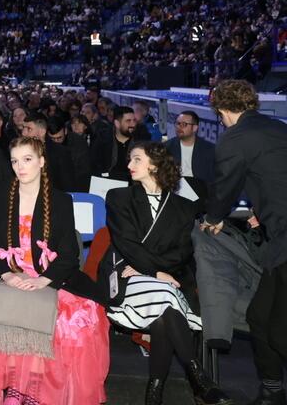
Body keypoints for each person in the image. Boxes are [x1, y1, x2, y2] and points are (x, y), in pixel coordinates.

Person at [0, 137, 109, 405]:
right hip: (7, 274)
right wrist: (8, 275)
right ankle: (14, 386)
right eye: (15, 161)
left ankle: (34, 389)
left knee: (73, 320)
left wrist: (44, 280)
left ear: (41, 162)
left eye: (27, 159)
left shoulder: (60, 201)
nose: (20, 167)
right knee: (3, 310)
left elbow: (70, 253)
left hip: (49, 276)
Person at [103, 142, 229, 405]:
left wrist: (156, 271)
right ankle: (198, 377)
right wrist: (155, 272)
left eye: (136, 159)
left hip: (167, 276)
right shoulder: (118, 197)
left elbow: (182, 252)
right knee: (166, 296)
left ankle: (155, 390)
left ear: (155, 165)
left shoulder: (184, 207)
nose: (129, 166)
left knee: (164, 307)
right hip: (128, 273)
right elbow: (127, 244)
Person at [201, 80, 287, 405]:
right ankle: (272, 390)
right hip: (278, 237)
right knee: (259, 317)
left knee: (279, 331)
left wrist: (213, 218)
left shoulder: (235, 138)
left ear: (222, 110)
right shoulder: (275, 128)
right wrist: (260, 212)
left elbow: (224, 189)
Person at [20, 112, 90, 192]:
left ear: (42, 132)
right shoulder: (21, 151)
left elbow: (68, 186)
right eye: (23, 128)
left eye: (29, 129)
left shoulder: (60, 153)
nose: (23, 133)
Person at [165, 110, 215, 196]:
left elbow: (212, 179)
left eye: (184, 124)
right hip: (175, 190)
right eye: (177, 123)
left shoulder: (209, 149)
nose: (179, 127)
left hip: (199, 190)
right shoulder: (167, 147)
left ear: (195, 128)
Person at [91, 106, 138, 180]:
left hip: (132, 183)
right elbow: (95, 165)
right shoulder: (103, 140)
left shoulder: (140, 141)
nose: (133, 124)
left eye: (134, 120)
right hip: (107, 181)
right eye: (128, 121)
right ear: (117, 123)